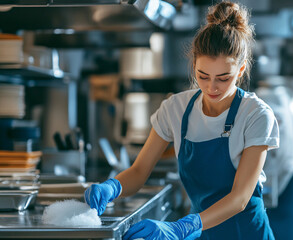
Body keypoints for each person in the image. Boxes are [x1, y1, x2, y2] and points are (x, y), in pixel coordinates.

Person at [84, 2, 279, 240]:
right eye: (203, 76)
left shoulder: (255, 114)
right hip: (202, 233)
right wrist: (112, 187)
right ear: (194, 64)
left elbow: (240, 198)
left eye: (223, 78)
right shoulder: (176, 108)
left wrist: (183, 226)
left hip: (245, 234)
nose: (211, 87)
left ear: (239, 71)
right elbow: (138, 171)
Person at [257, 85, 293, 240]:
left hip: (291, 188)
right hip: (270, 192)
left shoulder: (273, 109)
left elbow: (273, 156)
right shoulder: (263, 107)